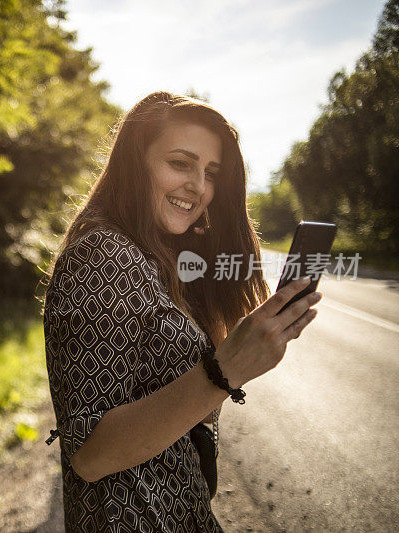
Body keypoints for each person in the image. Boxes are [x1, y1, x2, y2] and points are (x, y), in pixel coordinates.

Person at [40, 91, 322, 532]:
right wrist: (223, 371)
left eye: (211, 173)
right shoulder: (102, 253)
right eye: (179, 163)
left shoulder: (152, 257)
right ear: (136, 163)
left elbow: (182, 415)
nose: (200, 186)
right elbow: (92, 455)